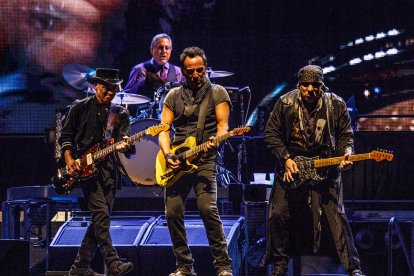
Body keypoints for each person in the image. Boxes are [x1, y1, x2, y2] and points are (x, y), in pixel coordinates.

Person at [262, 65, 365, 276]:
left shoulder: (335, 104)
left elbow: (346, 135)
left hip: (325, 166)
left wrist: (347, 152)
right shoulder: (285, 103)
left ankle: (353, 268)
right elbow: (271, 134)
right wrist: (286, 158)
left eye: (315, 85)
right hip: (291, 166)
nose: (310, 89)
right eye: (305, 85)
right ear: (299, 86)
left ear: (322, 86)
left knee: (337, 216)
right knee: (278, 213)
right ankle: (280, 266)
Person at [158, 46, 233, 276]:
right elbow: (163, 130)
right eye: (190, 72)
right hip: (178, 159)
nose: (196, 75)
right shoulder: (172, 96)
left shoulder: (217, 92)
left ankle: (223, 266)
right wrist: (168, 153)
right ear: (183, 72)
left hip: (204, 158)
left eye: (200, 70)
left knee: (207, 209)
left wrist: (216, 141)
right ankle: (184, 266)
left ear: (206, 68)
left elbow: (223, 127)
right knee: (172, 213)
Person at [60, 68, 135, 276]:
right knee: (101, 215)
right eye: (106, 89)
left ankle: (80, 267)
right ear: (96, 87)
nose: (110, 93)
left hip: (109, 172)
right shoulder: (79, 108)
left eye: (113, 89)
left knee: (99, 220)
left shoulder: (120, 114)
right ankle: (113, 263)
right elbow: (65, 135)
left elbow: (124, 143)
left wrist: (126, 145)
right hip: (85, 171)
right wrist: (69, 159)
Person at [124, 33, 184, 99]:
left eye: (167, 48)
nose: (164, 51)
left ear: (171, 51)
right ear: (152, 49)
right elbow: (126, 97)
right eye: (160, 48)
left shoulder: (178, 71)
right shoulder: (140, 69)